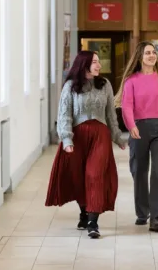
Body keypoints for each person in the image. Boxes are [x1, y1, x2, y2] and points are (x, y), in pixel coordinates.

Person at [45, 51, 127, 239]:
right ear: (84, 64)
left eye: (98, 62)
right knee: (79, 177)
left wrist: (117, 136)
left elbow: (110, 115)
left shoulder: (105, 85)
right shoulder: (70, 86)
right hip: (78, 137)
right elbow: (64, 114)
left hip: (100, 136)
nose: (99, 65)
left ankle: (93, 222)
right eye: (95, 62)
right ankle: (84, 211)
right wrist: (66, 139)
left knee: (95, 175)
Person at [116, 41, 158, 232]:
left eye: (154, 52)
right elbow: (126, 106)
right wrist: (131, 125)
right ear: (140, 57)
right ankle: (142, 212)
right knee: (139, 171)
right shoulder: (131, 80)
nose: (152, 55)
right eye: (147, 53)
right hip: (139, 129)